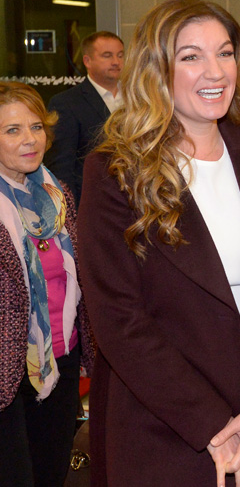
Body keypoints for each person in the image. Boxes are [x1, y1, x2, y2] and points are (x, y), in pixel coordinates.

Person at [76, 0, 240, 487]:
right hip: (166, 422)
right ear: (156, 69)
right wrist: (213, 426)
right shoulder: (115, 172)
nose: (215, 71)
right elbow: (119, 320)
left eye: (225, 53)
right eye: (191, 56)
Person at [0, 82, 95, 487]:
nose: (29, 139)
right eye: (12, 130)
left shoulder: (58, 194)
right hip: (7, 367)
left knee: (52, 473)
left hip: (60, 358)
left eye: (36, 127)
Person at [44, 31, 124, 204]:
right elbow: (61, 167)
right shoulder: (66, 103)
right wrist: (72, 214)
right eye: (107, 56)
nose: (116, 62)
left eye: (120, 55)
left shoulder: (139, 97)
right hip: (94, 204)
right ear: (87, 61)